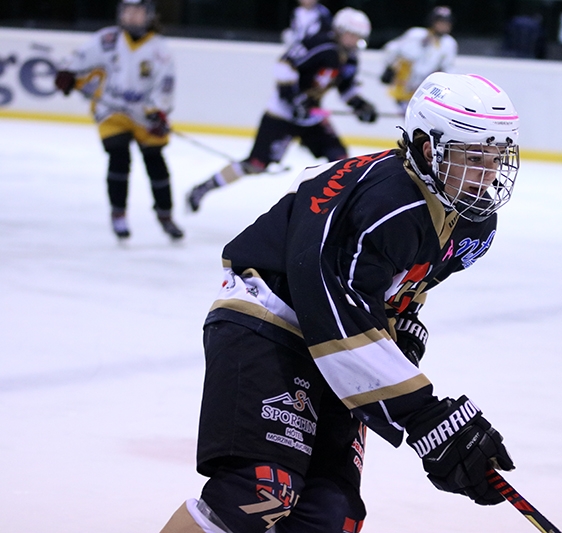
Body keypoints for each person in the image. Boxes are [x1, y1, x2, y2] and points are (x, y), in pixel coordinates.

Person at [158, 71, 520, 533]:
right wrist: (427, 416)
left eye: (495, 157)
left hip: (333, 345)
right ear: (430, 149)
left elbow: (399, 289)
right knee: (261, 489)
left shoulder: (473, 223)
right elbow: (335, 315)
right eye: (473, 157)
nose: (488, 173)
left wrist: (401, 328)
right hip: (268, 320)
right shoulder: (386, 202)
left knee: (332, 515)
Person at [186, 7, 378, 213]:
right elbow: (285, 65)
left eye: (358, 37)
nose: (353, 40)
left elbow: (345, 87)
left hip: (310, 117)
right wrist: (293, 100)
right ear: (339, 30)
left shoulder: (350, 58)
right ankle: (204, 188)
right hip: (282, 115)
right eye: (351, 34)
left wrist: (360, 105)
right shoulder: (320, 45)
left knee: (341, 160)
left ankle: (334, 213)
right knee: (256, 164)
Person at [53, 0, 183, 241]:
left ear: (149, 15)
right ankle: (118, 213)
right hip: (111, 111)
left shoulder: (160, 50)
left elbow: (165, 87)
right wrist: (68, 74)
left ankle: (165, 215)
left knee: (155, 161)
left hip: (144, 115)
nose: (132, 17)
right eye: (127, 11)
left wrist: (157, 111)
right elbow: (77, 61)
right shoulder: (107, 39)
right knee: (118, 155)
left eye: (138, 12)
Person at [379, 6, 458, 113]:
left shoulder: (449, 44)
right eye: (440, 22)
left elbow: (448, 68)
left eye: (447, 22)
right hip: (402, 87)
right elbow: (392, 49)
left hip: (424, 90)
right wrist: (389, 68)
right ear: (432, 22)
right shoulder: (416, 34)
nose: (443, 25)